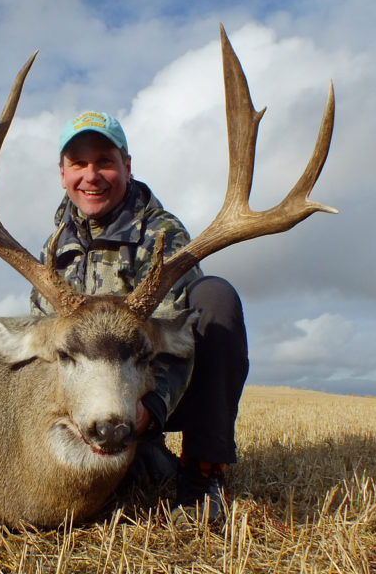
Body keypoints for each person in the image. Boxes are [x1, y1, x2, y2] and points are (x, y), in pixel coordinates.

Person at [30, 111, 249, 522]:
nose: (91, 175)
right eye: (78, 164)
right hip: (87, 402)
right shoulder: (54, 249)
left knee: (215, 298)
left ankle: (202, 474)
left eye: (105, 162)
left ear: (126, 167)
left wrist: (149, 409)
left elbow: (176, 338)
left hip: (156, 392)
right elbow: (42, 339)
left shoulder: (161, 234)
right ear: (63, 174)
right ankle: (137, 458)